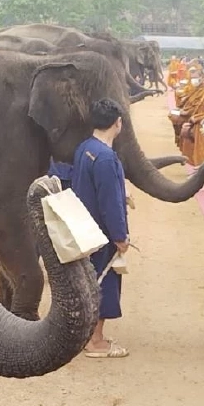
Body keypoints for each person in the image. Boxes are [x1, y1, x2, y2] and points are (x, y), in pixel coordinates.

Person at [73, 98, 130, 358]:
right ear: (117, 123)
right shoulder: (106, 158)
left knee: (88, 280)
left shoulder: (86, 148)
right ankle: (96, 342)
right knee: (103, 284)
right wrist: (120, 236)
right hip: (102, 233)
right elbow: (109, 203)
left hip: (85, 226)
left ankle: (87, 335)